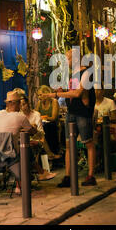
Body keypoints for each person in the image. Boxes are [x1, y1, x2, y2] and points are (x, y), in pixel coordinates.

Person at [40, 48, 97, 187]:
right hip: (72, 112)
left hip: (83, 112)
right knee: (68, 144)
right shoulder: (74, 74)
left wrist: (56, 95)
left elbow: (77, 93)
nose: (67, 62)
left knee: (88, 142)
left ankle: (91, 175)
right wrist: (63, 92)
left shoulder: (86, 73)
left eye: (68, 59)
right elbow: (72, 94)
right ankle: (68, 176)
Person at [20, 94, 57, 181]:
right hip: (22, 140)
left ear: (28, 103)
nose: (22, 107)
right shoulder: (19, 116)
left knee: (29, 147)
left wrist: (30, 129)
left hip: (35, 138)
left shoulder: (36, 114)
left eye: (24, 104)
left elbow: (40, 132)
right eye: (20, 105)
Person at [36, 85, 61, 157]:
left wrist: (43, 117)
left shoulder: (54, 102)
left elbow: (53, 117)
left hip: (53, 125)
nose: (39, 97)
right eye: (38, 95)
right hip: (43, 124)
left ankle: (51, 153)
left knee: (47, 128)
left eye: (40, 95)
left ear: (46, 94)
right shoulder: (39, 103)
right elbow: (36, 115)